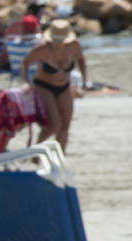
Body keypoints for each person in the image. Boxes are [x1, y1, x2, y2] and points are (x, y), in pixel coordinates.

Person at [22, 19, 88, 150]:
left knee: (65, 127)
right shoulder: (42, 48)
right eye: (55, 40)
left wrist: (84, 84)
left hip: (64, 86)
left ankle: (60, 159)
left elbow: (81, 61)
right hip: (44, 85)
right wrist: (25, 83)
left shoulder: (74, 46)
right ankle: (35, 152)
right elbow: (25, 64)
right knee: (54, 125)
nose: (57, 44)